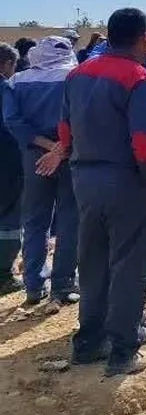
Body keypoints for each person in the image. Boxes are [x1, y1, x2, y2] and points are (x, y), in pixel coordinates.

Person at [57, 7, 146, 376]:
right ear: (143, 37)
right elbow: (143, 141)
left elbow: (65, 131)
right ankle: (123, 349)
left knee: (91, 261)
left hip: (83, 181)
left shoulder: (76, 75)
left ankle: (88, 343)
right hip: (127, 183)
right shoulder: (139, 78)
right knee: (129, 263)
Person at [2, 37, 79, 306]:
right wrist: (59, 150)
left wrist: (45, 147)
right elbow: (81, 118)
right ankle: (63, 284)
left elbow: (12, 120)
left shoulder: (16, 82)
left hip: (33, 157)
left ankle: (34, 284)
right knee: (70, 218)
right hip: (71, 154)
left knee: (35, 220)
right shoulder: (76, 78)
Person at [0, 43, 21, 295]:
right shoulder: (5, 88)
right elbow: (12, 124)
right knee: (9, 219)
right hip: (6, 161)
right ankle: (4, 274)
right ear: (6, 64)